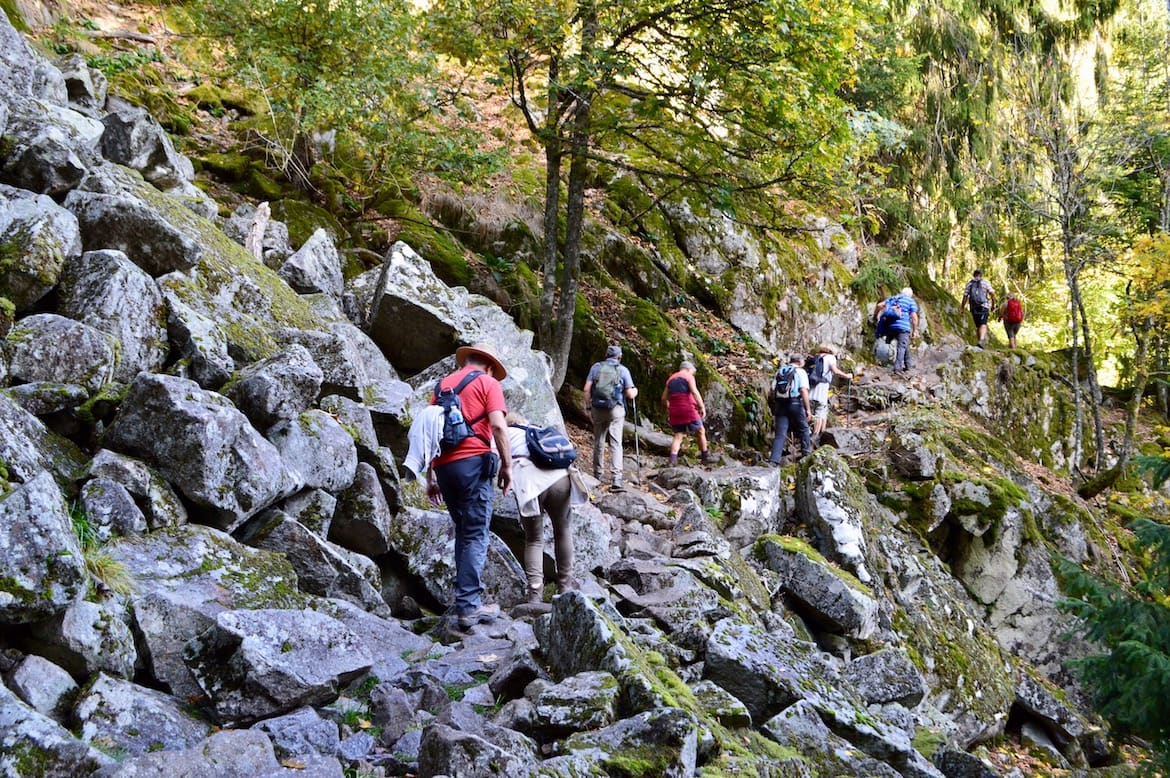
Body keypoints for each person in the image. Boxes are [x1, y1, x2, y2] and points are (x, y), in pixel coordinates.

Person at [428, 342, 512, 630]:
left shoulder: (442, 386)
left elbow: (431, 431)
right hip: (473, 464)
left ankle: (464, 600)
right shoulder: (489, 383)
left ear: (467, 362)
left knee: (463, 530)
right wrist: (507, 466)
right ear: (489, 366)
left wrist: (431, 476)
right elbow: (498, 426)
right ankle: (469, 606)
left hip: (444, 467)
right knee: (476, 533)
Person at [503, 413, 588, 604]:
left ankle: (535, 595)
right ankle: (565, 587)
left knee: (534, 538)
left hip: (531, 483)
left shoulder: (504, 433)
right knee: (563, 531)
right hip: (561, 479)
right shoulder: (537, 429)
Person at [583, 344, 638, 489]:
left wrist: (588, 406)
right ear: (619, 357)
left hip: (597, 408)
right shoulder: (623, 370)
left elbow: (586, 389)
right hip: (615, 409)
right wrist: (635, 391)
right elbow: (630, 394)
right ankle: (616, 479)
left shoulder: (596, 367)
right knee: (616, 443)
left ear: (606, 355)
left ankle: (597, 474)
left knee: (599, 441)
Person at [662, 360, 712, 465]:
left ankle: (673, 459)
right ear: (689, 369)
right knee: (700, 430)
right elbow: (694, 392)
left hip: (675, 410)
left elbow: (663, 398)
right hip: (688, 409)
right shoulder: (688, 377)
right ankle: (705, 456)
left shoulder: (670, 379)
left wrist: (670, 407)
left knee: (678, 435)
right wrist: (701, 406)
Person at [767, 354, 812, 465]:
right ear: (800, 362)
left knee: (780, 433)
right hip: (795, 403)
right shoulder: (801, 372)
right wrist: (808, 409)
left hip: (780, 404)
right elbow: (803, 390)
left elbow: (772, 390)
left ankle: (774, 460)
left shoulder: (780, 371)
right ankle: (807, 456)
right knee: (804, 429)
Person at [808, 343, 854, 443]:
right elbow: (835, 371)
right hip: (822, 387)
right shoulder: (830, 357)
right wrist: (847, 376)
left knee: (814, 410)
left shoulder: (816, 357)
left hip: (811, 387)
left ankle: (813, 434)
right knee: (820, 410)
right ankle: (816, 436)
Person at [960, 269, 996, 347]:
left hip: (973, 307)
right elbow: (992, 293)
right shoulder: (985, 282)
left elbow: (965, 296)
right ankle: (981, 340)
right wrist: (993, 305)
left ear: (974, 275)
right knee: (983, 324)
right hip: (984, 306)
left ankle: (980, 343)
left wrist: (962, 308)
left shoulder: (970, 283)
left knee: (977, 326)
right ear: (981, 275)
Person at [888, 287, 919, 373]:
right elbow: (914, 318)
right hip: (903, 327)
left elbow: (883, 306)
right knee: (901, 346)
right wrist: (914, 330)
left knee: (904, 344)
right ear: (910, 295)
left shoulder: (895, 298)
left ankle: (908, 364)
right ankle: (897, 368)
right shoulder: (910, 301)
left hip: (891, 326)